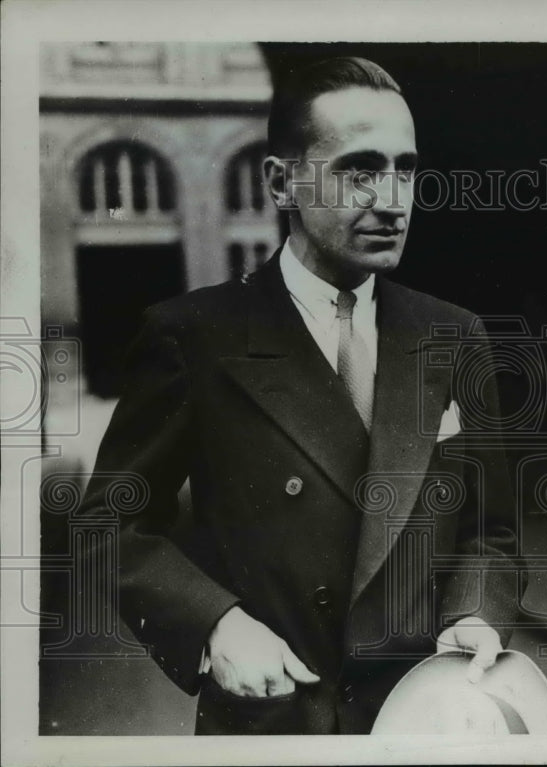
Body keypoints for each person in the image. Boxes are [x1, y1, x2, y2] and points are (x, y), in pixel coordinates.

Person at [80, 56, 521, 735]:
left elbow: (489, 530)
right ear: (281, 181)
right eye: (359, 169)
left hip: (423, 716)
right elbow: (109, 524)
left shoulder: (452, 335)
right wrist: (214, 622)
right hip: (274, 721)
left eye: (406, 168)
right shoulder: (196, 337)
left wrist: (473, 613)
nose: (392, 197)